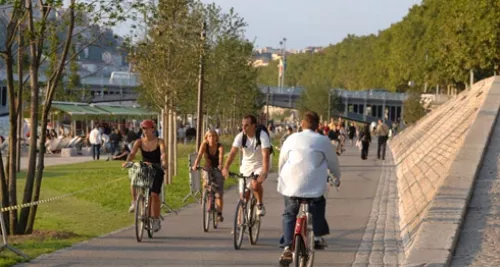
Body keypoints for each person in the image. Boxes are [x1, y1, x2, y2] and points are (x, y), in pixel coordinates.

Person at [277, 111, 341, 265]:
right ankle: (317, 237)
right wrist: (337, 179)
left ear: (302, 124)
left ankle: (287, 247)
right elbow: (333, 163)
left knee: (290, 213)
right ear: (318, 125)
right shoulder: (323, 140)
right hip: (314, 186)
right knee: (318, 204)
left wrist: (281, 176)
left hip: (291, 184)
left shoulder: (291, 139)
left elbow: (282, 161)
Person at [222, 114, 271, 217]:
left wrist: (265, 171)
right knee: (244, 197)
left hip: (260, 165)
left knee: (255, 184)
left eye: (247, 125)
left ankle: (259, 204)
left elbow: (265, 154)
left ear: (254, 125)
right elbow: (232, 153)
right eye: (242, 125)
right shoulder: (240, 136)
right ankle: (239, 225)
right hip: (246, 166)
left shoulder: (262, 135)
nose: (243, 128)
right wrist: (226, 168)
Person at [123, 120, 167, 231]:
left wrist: (164, 162)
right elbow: (132, 153)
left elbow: (163, 153)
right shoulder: (139, 141)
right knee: (134, 177)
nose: (145, 130)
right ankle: (134, 202)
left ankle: (156, 219)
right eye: (143, 128)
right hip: (145, 167)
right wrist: (127, 162)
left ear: (153, 129)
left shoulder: (159, 141)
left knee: (154, 195)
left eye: (147, 128)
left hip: (156, 168)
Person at [191, 130, 226, 222]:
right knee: (206, 181)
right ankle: (205, 195)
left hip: (217, 168)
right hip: (207, 167)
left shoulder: (220, 146)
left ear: (216, 137)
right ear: (206, 138)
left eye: (214, 136)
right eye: (209, 136)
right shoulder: (204, 145)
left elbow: (221, 156)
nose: (212, 138)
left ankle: (219, 213)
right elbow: (199, 155)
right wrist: (195, 165)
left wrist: (220, 164)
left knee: (219, 193)